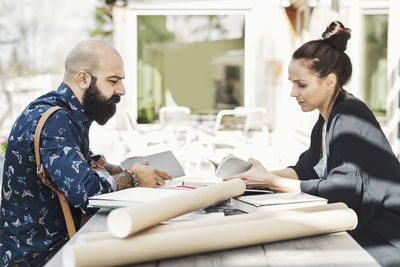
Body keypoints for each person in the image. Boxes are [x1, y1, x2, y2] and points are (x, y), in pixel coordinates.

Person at [225, 21, 400, 266]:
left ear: (329, 81)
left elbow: (345, 188)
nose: (292, 93)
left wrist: (272, 182)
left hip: (386, 238)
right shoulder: (327, 118)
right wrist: (255, 177)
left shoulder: (350, 116)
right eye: (292, 83)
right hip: (362, 229)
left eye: (301, 84)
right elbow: (306, 169)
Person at [0, 39, 172, 266]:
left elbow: (77, 163)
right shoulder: (56, 119)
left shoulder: (66, 113)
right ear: (83, 79)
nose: (121, 90)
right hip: (39, 258)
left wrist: (117, 169)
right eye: (113, 81)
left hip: (55, 248)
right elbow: (87, 193)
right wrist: (133, 177)